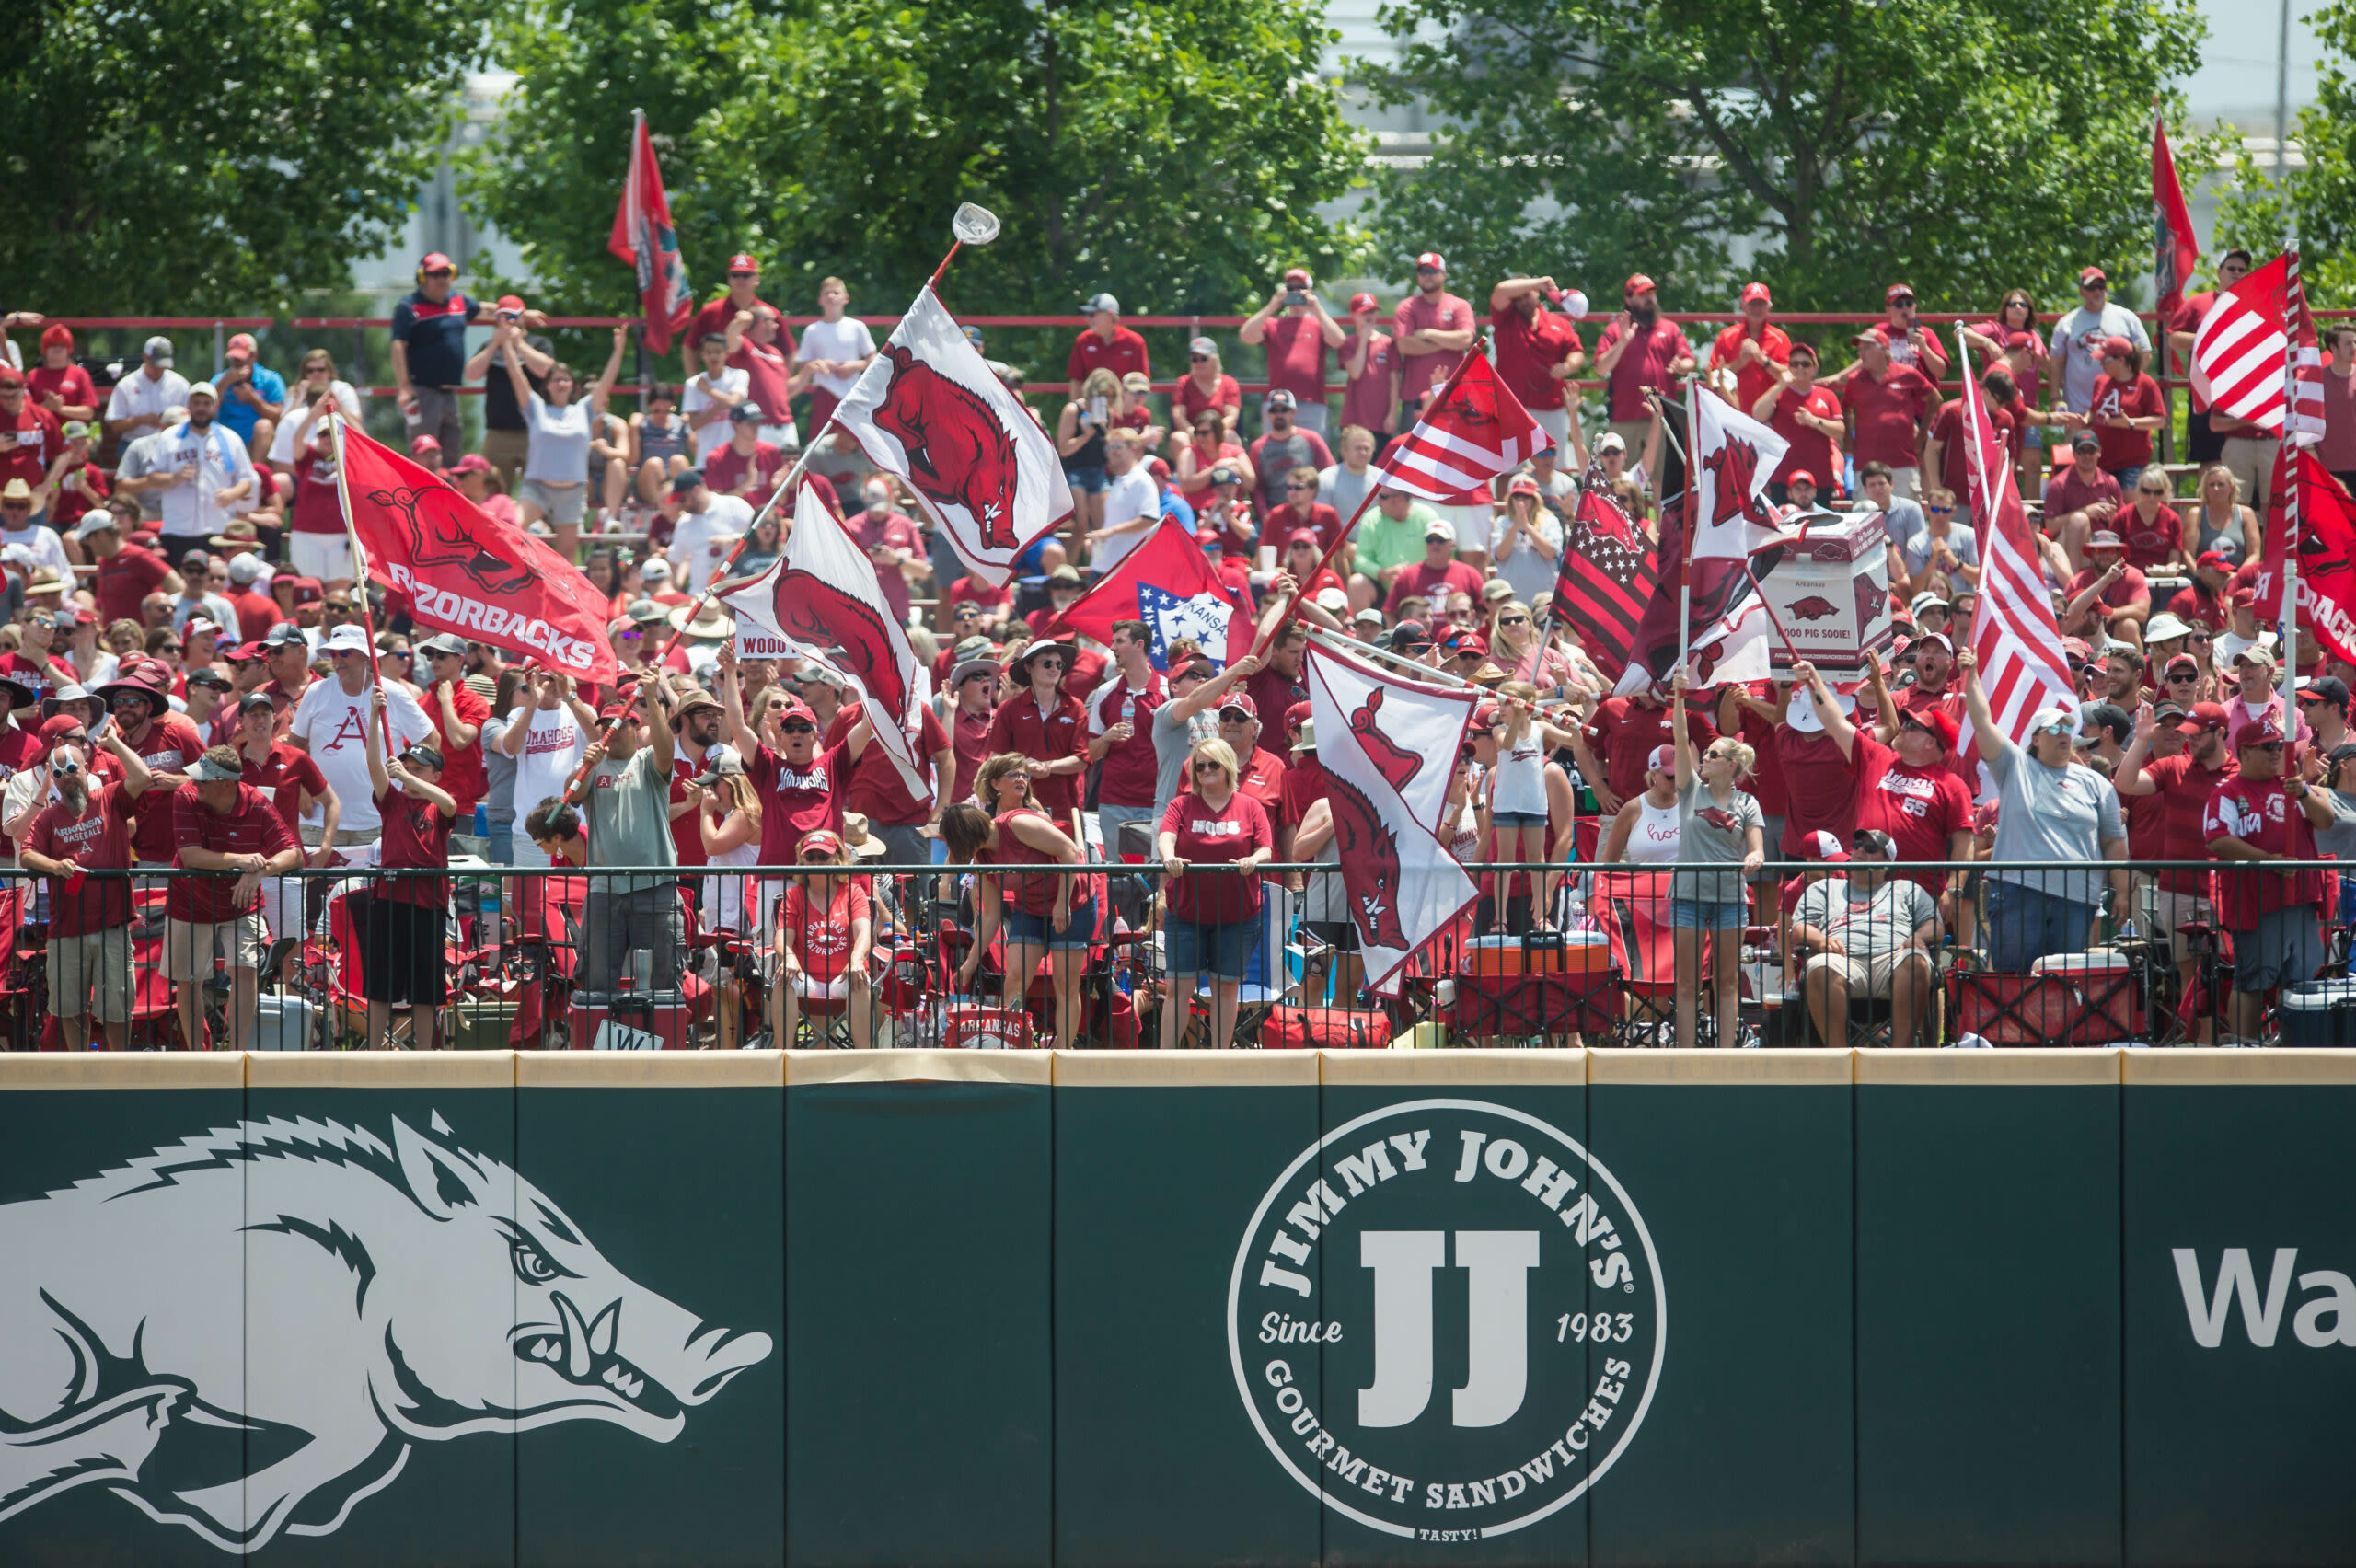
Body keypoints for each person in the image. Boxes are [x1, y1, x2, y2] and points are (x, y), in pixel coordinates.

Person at [1959, 645, 2128, 972]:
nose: (2063, 734)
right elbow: (1982, 722)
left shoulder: (2097, 784)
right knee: (2015, 984)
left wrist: (2121, 891)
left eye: (2068, 728)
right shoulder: (2015, 765)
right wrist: (1973, 675)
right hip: (2018, 893)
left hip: (2077, 898)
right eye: (2054, 728)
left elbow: (2113, 842)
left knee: (2066, 989)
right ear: (2035, 739)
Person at [18, 728, 155, 1049]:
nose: (67, 777)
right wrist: (55, 866)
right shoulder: (48, 817)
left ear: (87, 769)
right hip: (66, 930)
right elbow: (26, 854)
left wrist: (113, 743)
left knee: (117, 1008)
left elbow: (143, 776)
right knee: (69, 1008)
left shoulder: (110, 797)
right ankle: (80, 1072)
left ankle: (118, 1074)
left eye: (72, 769)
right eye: (59, 773)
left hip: (113, 925)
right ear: (53, 778)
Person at [949, 760, 1094, 1047]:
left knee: (1065, 984)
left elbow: (1070, 851)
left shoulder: (1017, 824)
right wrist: (969, 964)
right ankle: (1009, 1049)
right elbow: (989, 918)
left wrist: (1062, 904)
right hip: (1030, 908)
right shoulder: (983, 859)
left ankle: (1063, 1055)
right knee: (1013, 979)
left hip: (1072, 902)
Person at [168, 744, 303, 1051]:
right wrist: (242, 861)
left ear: (227, 784)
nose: (195, 783)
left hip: (241, 904)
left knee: (246, 972)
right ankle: (199, 1057)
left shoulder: (256, 802)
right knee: (188, 982)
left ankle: (236, 1055)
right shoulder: (185, 796)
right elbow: (189, 856)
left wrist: (259, 872)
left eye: (203, 779)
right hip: (189, 902)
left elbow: (294, 853)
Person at [2116, 700, 2235, 1040]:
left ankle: (2224, 1046)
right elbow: (2125, 784)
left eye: (2197, 735)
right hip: (2178, 890)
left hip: (2226, 893)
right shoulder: (2172, 766)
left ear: (2220, 734)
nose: (2190, 741)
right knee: (2190, 976)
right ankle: (2200, 1049)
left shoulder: (2241, 773)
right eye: (2188, 735)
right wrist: (2140, 740)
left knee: (2230, 972)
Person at [2206, 720, 2327, 1041]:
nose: (2276, 752)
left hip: (2300, 900)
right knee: (2252, 982)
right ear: (2244, 751)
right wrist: (2268, 861)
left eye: (2278, 745)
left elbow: (2326, 820)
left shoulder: (2291, 785)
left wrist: (2303, 791)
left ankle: (2294, 1046)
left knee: (2302, 982)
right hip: (2256, 903)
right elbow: (2217, 839)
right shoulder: (2228, 791)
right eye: (2268, 746)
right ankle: (2245, 1053)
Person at [564, 675, 682, 995]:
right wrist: (583, 768)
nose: (611, 731)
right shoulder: (592, 765)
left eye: (619, 724)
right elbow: (571, 796)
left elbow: (665, 749)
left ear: (635, 728)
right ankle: (600, 1043)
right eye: (605, 726)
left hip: (655, 888)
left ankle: (663, 1044)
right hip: (604, 890)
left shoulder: (646, 761)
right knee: (596, 983)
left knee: (662, 983)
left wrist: (653, 699)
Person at [1667, 668, 1763, 1049]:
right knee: (1688, 982)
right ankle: (1687, 1055)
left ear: (1731, 765)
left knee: (1726, 981)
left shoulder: (1747, 803)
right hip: (1687, 896)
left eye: (1713, 754)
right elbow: (1680, 736)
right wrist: (1678, 698)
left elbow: (1756, 845)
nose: (1704, 757)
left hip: (1729, 899)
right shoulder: (1691, 790)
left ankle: (1727, 1055)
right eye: (1706, 752)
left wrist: (1755, 856)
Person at [1157, 736, 1274, 1050]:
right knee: (1178, 988)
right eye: (1199, 766)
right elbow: (1166, 837)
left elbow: (1266, 848)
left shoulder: (1250, 806)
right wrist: (1169, 857)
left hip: (1238, 916)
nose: (1205, 770)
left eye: (1213, 764)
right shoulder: (1180, 804)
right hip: (1185, 913)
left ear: (1228, 768)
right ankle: (1164, 1062)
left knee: (1226, 988)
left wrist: (1253, 859)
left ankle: (1218, 1059)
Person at [358, 689, 456, 1047]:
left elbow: (448, 803)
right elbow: (372, 764)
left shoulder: (436, 806)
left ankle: (423, 1056)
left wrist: (410, 779)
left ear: (435, 775)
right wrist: (373, 716)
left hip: (428, 905)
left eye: (419, 770)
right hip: (390, 899)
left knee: (426, 989)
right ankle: (372, 1053)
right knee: (381, 986)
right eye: (406, 768)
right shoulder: (393, 801)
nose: (409, 776)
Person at [287, 624, 433, 851]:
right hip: (320, 820)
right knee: (314, 887)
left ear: (366, 656)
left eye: (345, 653)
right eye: (334, 654)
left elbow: (430, 742)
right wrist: (302, 788)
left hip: (379, 820)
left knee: (374, 888)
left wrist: (408, 782)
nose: (337, 660)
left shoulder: (391, 693)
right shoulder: (317, 692)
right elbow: (294, 745)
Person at [1789, 829, 1942, 1047]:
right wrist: (1821, 941)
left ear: (1887, 861)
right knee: (1821, 966)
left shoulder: (1906, 889)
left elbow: (1935, 925)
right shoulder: (1824, 888)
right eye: (1857, 845)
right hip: (1842, 959)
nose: (1860, 850)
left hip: (1894, 959)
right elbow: (1800, 928)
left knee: (1916, 962)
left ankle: (1902, 1059)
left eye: (1870, 848)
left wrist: (1917, 937)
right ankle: (1839, 1060)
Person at [497, 322, 626, 559]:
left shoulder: (584, 409)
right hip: (537, 487)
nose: (561, 383)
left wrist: (618, 350)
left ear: (573, 386)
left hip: (572, 491)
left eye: (566, 379)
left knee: (568, 554)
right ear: (548, 386)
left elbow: (607, 383)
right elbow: (516, 375)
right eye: (556, 379)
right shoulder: (536, 407)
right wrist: (506, 341)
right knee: (512, 526)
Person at [772, 827, 876, 1047]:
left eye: (823, 856)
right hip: (806, 978)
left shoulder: (854, 893)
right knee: (782, 980)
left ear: (837, 859)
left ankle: (863, 1057)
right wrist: (788, 957)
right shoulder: (793, 895)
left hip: (844, 977)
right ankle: (783, 1058)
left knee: (859, 980)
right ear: (803, 862)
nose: (817, 862)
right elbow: (782, 937)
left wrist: (857, 959)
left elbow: (864, 933)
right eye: (811, 857)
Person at [1593, 275, 1695, 467]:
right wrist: (1623, 341)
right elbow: (1600, 368)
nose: (1649, 298)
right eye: (1642, 294)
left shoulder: (1670, 328)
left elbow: (1690, 361)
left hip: (1662, 416)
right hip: (1624, 417)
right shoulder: (1615, 330)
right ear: (1629, 299)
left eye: (1651, 292)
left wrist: (1681, 367)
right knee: (1622, 480)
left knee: (1662, 481)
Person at [498, 665, 595, 865]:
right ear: (534, 682)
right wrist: (533, 703)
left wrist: (569, 694)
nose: (555, 683)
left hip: (575, 829)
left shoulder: (578, 709)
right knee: (531, 895)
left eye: (559, 676)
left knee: (578, 893)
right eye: (549, 678)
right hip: (532, 830)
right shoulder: (520, 714)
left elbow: (600, 737)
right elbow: (510, 748)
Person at [1829, 331, 1935, 499]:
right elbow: (1846, 408)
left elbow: (1935, 399)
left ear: (1883, 350)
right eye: (1860, 349)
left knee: (1904, 517)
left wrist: (1922, 436)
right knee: (1866, 519)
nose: (1860, 353)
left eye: (1867, 348)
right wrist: (1848, 440)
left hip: (1903, 463)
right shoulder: (1855, 380)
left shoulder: (1907, 373)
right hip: (1865, 465)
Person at [1241, 270, 1346, 435]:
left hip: (1312, 402)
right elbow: (1246, 335)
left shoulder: (1318, 323)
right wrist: (1272, 306)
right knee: (1275, 453)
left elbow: (1339, 340)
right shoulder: (1273, 323)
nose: (1295, 292)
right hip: (1277, 404)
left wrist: (1317, 308)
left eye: (1300, 287)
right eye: (1290, 288)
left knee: (1314, 455)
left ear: (1309, 292)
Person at [1490, 274, 1587, 453]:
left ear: (1537, 294)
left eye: (1526, 295)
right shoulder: (1505, 319)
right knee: (1510, 468)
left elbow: (1577, 352)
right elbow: (1500, 290)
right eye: (1517, 298)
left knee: (1554, 464)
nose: (1522, 301)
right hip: (1511, 406)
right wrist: (1539, 283)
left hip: (1550, 405)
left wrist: (1568, 366)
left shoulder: (1559, 323)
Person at [2049, 266, 2151, 416]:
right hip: (2077, 409)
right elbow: (2056, 363)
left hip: (2118, 408)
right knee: (2077, 440)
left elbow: (2145, 354)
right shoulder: (2067, 323)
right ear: (2081, 291)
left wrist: (2131, 385)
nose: (2097, 291)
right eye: (2091, 287)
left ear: (2106, 289)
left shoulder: (2127, 318)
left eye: (2101, 286)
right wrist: (2054, 398)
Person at [1753, 341, 1844, 503]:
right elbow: (1758, 414)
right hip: (1783, 479)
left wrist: (1816, 422)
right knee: (1784, 526)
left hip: (1819, 479)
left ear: (1814, 368)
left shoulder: (1827, 395)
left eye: (1806, 364)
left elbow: (1840, 432)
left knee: (1819, 526)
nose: (1800, 368)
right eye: (1794, 364)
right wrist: (1780, 384)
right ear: (1788, 368)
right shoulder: (1779, 393)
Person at [792, 277, 878, 435]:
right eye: (827, 293)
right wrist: (820, 364)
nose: (831, 296)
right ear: (820, 300)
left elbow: (873, 357)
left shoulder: (857, 327)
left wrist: (856, 366)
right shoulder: (812, 330)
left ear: (846, 299)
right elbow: (803, 366)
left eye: (836, 292)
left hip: (853, 393)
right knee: (820, 442)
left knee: (854, 441)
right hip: (824, 393)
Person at [1392, 252, 1476, 411]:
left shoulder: (1460, 305)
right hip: (1415, 399)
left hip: (1453, 396)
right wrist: (1447, 343)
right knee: (1412, 438)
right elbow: (1404, 345)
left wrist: (1428, 334)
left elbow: (1465, 339)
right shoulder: (1406, 307)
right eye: (1422, 272)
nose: (1427, 276)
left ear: (1443, 274)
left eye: (1432, 271)